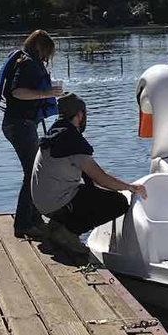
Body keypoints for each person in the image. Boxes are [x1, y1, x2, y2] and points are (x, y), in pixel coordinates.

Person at [30, 93, 147, 256]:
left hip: (42, 202)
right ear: (79, 115)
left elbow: (92, 180)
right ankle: (67, 233)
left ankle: (58, 226)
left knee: (94, 194)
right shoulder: (70, 140)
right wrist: (130, 187)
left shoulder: (56, 133)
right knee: (118, 203)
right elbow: (100, 177)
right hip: (56, 203)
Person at [0, 30, 63, 241]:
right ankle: (23, 224)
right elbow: (17, 92)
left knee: (36, 172)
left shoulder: (24, 61)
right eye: (47, 53)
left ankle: (34, 219)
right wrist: (47, 94)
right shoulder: (26, 64)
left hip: (22, 124)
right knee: (32, 173)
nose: (47, 58)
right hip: (19, 125)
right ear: (40, 47)